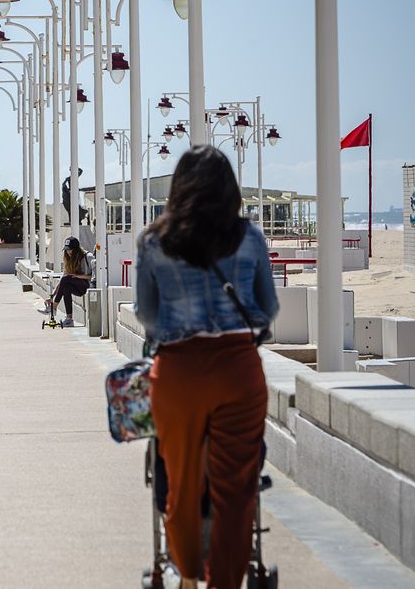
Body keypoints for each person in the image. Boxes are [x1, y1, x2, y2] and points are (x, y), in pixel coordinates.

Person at [132, 145, 279, 589]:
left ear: (178, 189)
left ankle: (188, 574)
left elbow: (148, 316)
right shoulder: (250, 237)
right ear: (230, 189)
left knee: (179, 481)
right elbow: (267, 308)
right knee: (236, 493)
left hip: (179, 374)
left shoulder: (154, 241)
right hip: (238, 370)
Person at [44, 237, 94, 327]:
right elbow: (62, 281)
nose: (68, 252)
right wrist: (52, 296)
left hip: (87, 286)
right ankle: (69, 319)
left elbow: (95, 276)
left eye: (70, 250)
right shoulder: (69, 259)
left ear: (76, 249)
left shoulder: (88, 257)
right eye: (66, 250)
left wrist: (79, 276)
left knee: (66, 278)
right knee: (66, 287)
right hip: (76, 287)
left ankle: (54, 307)